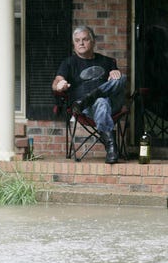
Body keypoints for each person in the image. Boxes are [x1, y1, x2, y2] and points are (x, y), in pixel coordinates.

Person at [52, 25, 127, 164]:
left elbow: (117, 85)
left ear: (92, 42)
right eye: (77, 40)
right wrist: (59, 85)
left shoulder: (107, 61)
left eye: (85, 39)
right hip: (85, 109)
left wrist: (114, 73)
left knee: (122, 78)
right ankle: (111, 147)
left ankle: (91, 97)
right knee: (100, 102)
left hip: (109, 104)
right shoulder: (69, 63)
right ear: (74, 44)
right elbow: (57, 81)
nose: (81, 43)